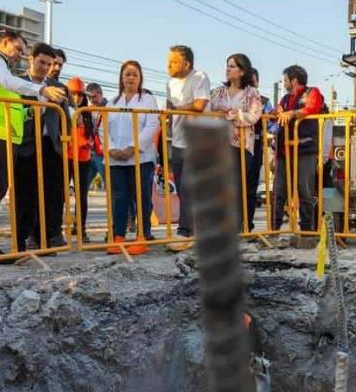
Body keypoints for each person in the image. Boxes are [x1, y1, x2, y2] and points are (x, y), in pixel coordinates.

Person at [0, 30, 64, 259]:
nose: (19, 54)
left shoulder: (0, 64)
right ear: (5, 42)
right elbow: (7, 82)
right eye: (18, 49)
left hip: (3, 135)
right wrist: (40, 90)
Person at [107, 61, 159, 255]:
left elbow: (152, 125)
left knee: (142, 197)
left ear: (140, 78)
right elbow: (103, 128)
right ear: (121, 77)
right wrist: (111, 149)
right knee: (119, 198)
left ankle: (142, 236)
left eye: (134, 75)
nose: (130, 78)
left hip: (141, 158)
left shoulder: (147, 100)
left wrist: (133, 147)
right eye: (127, 74)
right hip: (115, 159)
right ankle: (118, 236)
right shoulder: (112, 102)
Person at [12, 42, 58, 252]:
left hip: (50, 147)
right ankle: (19, 242)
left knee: (48, 196)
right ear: (31, 59)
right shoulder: (17, 83)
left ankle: (44, 240)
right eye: (41, 62)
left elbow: (63, 115)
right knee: (25, 196)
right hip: (25, 146)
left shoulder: (56, 87)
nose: (45, 67)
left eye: (49, 64)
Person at [210, 54, 262, 232]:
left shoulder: (252, 93)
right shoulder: (218, 92)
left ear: (242, 71)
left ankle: (237, 225)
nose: (228, 69)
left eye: (232, 66)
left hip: (241, 145)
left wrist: (232, 114)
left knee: (237, 185)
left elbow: (253, 116)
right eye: (227, 65)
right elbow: (209, 112)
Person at [272, 65, 325, 241]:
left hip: (305, 150)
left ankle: (306, 231)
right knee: (279, 192)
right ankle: (273, 229)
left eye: (285, 79)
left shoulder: (312, 92)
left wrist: (293, 113)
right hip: (284, 152)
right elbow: (277, 114)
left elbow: (312, 108)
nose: (284, 83)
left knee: (305, 191)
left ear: (293, 80)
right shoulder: (285, 98)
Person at [165, 44, 210, 248]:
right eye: (168, 61)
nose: (169, 65)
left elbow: (200, 105)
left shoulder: (199, 77)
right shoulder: (170, 83)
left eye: (173, 61)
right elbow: (168, 110)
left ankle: (184, 232)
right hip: (177, 141)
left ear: (186, 63)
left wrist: (178, 108)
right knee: (182, 190)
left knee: (187, 186)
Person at [66, 77, 96, 240]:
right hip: (65, 157)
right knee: (60, 195)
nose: (77, 98)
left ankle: (80, 229)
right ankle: (56, 229)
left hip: (83, 159)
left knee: (81, 195)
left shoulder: (87, 114)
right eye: (73, 94)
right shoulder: (61, 109)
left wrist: (89, 143)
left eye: (80, 95)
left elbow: (91, 135)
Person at [246, 68, 275, 231]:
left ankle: (247, 225)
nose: (251, 85)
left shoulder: (264, 102)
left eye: (254, 82)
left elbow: (273, 125)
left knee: (251, 187)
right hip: (234, 147)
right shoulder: (232, 98)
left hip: (256, 146)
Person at [85, 82, 107, 191]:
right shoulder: (87, 110)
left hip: (104, 152)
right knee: (82, 185)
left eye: (93, 96)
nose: (91, 99)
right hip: (90, 151)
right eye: (89, 97)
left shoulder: (110, 107)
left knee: (110, 185)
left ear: (100, 93)